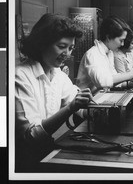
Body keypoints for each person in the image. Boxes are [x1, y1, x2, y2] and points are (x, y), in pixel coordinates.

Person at [15, 13, 93, 172]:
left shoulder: (59, 75)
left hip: (48, 153)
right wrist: (71, 108)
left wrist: (94, 111)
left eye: (71, 48)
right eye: (62, 46)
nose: (68, 53)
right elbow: (31, 136)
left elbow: (80, 107)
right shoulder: (20, 76)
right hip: (24, 162)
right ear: (42, 43)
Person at [76, 16, 133, 92]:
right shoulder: (92, 54)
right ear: (108, 37)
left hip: (101, 97)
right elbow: (102, 82)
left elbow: (114, 77)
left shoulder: (109, 52)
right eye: (121, 40)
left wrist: (132, 83)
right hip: (87, 100)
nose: (122, 44)